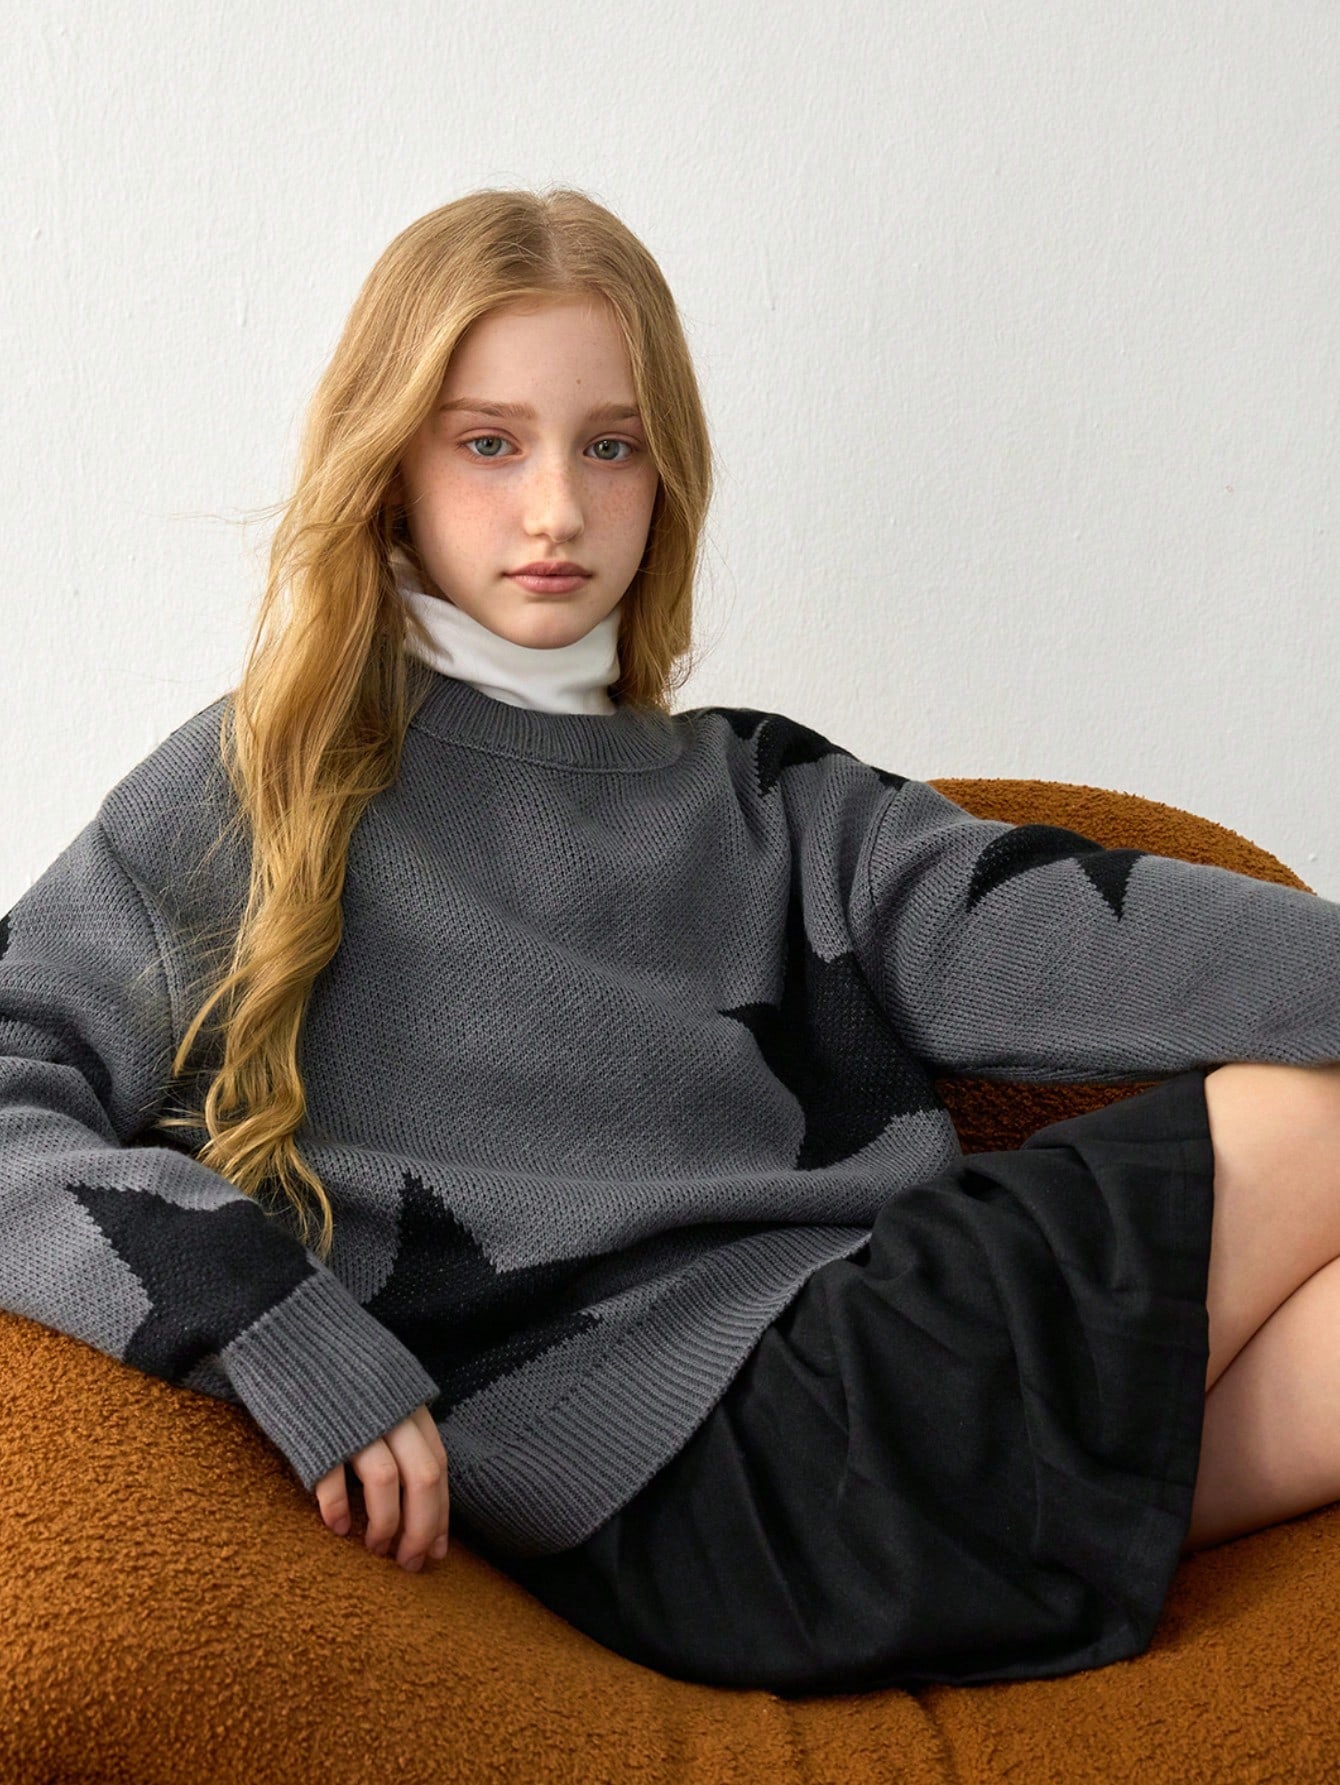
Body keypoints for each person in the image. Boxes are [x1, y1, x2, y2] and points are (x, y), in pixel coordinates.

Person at [2, 186, 1340, 1701]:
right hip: (745, 1458)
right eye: (489, 443)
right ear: (391, 464)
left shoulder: (767, 795)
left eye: (611, 446)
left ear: (667, 475)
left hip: (868, 1505)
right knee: (1315, 1115)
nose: (556, 510)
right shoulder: (262, 783)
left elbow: (1077, 931)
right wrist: (267, 1318)